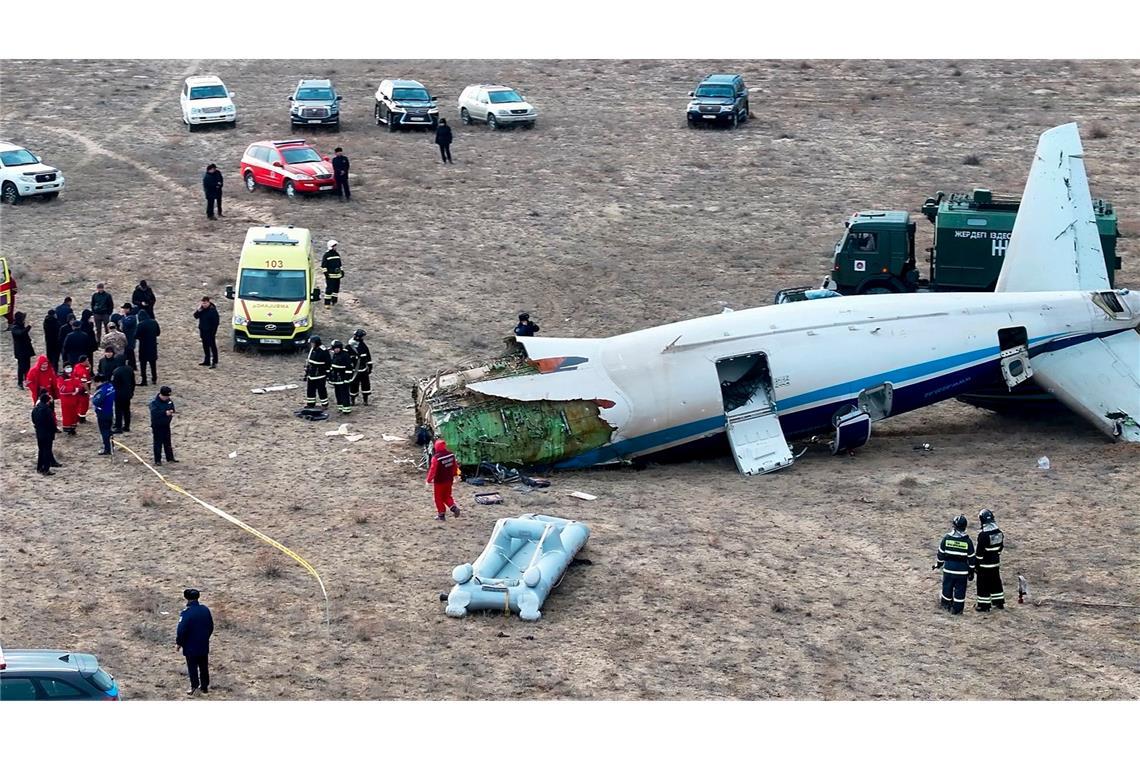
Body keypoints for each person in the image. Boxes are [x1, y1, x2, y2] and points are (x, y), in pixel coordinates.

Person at [934, 514, 976, 615]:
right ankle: (957, 610)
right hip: (962, 572)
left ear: (954, 526)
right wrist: (971, 572)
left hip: (948, 570)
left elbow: (941, 554)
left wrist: (939, 564)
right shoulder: (968, 542)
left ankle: (945, 605)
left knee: (947, 587)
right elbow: (971, 558)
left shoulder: (947, 538)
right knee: (960, 591)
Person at [176, 588, 214, 696]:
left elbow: (181, 630)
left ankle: (194, 686)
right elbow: (210, 626)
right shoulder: (205, 609)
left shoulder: (186, 613)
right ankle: (205, 687)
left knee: (192, 667)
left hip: (190, 645)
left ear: (187, 599)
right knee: (203, 666)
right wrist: (205, 637)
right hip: (203, 643)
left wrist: (179, 643)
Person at [974, 509, 1006, 611]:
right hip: (995, 564)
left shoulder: (983, 535)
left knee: (983, 585)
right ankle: (999, 602)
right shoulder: (999, 533)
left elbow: (979, 553)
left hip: (984, 566)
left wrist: (976, 565)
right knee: (996, 582)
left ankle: (984, 605)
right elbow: (1000, 548)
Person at [425, 438, 461, 521]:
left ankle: (441, 515)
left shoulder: (436, 458)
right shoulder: (451, 455)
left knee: (438, 498)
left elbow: (432, 470)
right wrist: (456, 475)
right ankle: (454, 508)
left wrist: (428, 480)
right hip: (449, 480)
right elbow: (454, 466)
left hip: (439, 481)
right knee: (447, 496)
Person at [149, 385, 178, 465]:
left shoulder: (169, 400)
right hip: (157, 425)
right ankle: (157, 460)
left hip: (166, 424)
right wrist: (165, 412)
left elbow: (172, 406)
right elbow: (154, 413)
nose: (167, 398)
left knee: (167, 442)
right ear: (161, 394)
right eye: (166, 396)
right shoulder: (154, 402)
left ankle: (170, 458)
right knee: (158, 443)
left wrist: (172, 410)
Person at [32, 391, 59, 475]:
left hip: (39, 433)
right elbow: (52, 423)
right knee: (47, 451)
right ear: (47, 401)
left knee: (41, 450)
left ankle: (39, 468)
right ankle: (46, 469)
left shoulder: (35, 409)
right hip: (47, 434)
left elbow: (33, 420)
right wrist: (54, 430)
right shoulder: (47, 411)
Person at [328, 339, 356, 415]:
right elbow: (333, 366)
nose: (336, 350)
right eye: (334, 348)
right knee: (337, 393)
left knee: (344, 394)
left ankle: (346, 409)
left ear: (340, 348)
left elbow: (349, 368)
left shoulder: (345, 355)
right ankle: (340, 407)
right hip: (336, 378)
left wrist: (347, 378)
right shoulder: (335, 355)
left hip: (343, 378)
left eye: (337, 348)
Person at [303, 335, 331, 408]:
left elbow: (328, 363)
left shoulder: (323, 351)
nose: (311, 344)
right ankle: (310, 404)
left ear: (317, 343)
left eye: (312, 343)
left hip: (320, 374)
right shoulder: (313, 349)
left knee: (321, 390)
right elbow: (309, 359)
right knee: (310, 390)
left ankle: (324, 404)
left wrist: (328, 374)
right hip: (311, 374)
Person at [135, 309, 161, 386]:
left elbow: (136, 335)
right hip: (153, 346)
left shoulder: (141, 324)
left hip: (143, 347)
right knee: (153, 364)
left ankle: (144, 380)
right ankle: (154, 379)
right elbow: (158, 333)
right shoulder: (154, 322)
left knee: (143, 365)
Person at [91, 375, 116, 455]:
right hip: (110, 411)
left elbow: (96, 402)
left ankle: (107, 449)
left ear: (99, 382)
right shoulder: (110, 386)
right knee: (109, 430)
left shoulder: (102, 390)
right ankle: (112, 446)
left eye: (95, 383)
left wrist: (93, 398)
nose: (94, 385)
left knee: (104, 431)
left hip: (102, 413)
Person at [347, 328, 372, 406]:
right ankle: (353, 400)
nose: (363, 338)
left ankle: (365, 400)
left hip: (363, 370)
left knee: (366, 385)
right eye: (362, 337)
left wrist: (370, 367)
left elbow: (368, 357)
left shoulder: (363, 345)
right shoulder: (349, 347)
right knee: (353, 385)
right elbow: (346, 359)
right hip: (354, 370)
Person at [193, 296, 220, 367]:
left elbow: (216, 323)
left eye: (205, 303)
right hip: (203, 330)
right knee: (205, 346)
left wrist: (213, 332)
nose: (204, 305)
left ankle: (215, 362)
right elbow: (195, 316)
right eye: (202, 303)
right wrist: (198, 311)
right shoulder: (201, 309)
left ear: (208, 302)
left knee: (212, 346)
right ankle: (207, 360)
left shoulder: (213, 310)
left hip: (210, 332)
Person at [56, 365, 83, 435]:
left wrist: (78, 388)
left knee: (74, 413)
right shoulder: (61, 378)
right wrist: (73, 389)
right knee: (67, 414)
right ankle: (68, 428)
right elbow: (62, 389)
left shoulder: (74, 376)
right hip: (66, 400)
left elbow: (78, 383)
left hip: (74, 399)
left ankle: (73, 428)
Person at [11, 311, 35, 388]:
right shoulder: (15, 328)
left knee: (27, 366)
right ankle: (20, 382)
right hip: (20, 351)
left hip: (26, 350)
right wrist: (29, 326)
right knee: (21, 367)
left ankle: (27, 379)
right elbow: (21, 333)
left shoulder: (20, 326)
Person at [111, 360, 136, 433]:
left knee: (118, 410)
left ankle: (118, 427)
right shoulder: (130, 369)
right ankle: (127, 426)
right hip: (128, 393)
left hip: (118, 394)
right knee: (126, 410)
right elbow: (133, 382)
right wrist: (131, 392)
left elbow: (114, 383)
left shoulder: (116, 371)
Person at [320, 241, 343, 308]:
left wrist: (342, 271)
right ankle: (327, 303)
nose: (335, 247)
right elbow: (323, 266)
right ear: (331, 246)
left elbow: (340, 264)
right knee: (329, 289)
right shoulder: (326, 255)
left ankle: (334, 301)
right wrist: (326, 274)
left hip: (337, 276)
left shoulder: (337, 254)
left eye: (335, 246)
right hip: (330, 276)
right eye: (334, 246)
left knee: (336, 289)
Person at [72, 355, 92, 424]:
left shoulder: (77, 366)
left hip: (77, 388)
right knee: (84, 404)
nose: (88, 361)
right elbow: (84, 383)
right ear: (84, 361)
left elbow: (87, 373)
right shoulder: (82, 371)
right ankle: (82, 419)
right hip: (83, 390)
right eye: (87, 360)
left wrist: (89, 368)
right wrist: (88, 391)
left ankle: (78, 416)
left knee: (78, 403)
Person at [118, 303, 139, 369]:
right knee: (127, 352)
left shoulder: (132, 317)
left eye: (124, 309)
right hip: (126, 337)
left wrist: (122, 317)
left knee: (130, 352)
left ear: (128, 309)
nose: (123, 310)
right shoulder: (127, 317)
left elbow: (127, 323)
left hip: (130, 338)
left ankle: (133, 366)